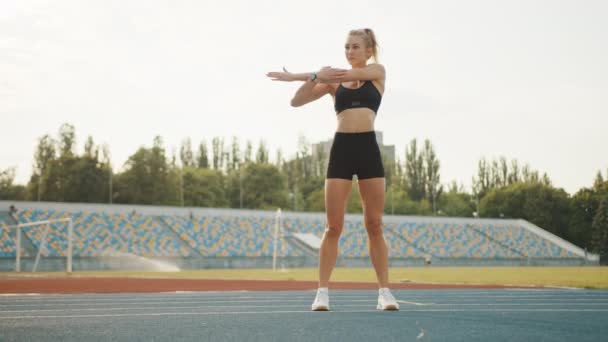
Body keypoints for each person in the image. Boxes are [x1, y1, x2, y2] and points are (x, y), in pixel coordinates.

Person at [267, 28, 399, 311]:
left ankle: (384, 292)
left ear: (368, 51)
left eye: (355, 47)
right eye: (347, 47)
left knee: (374, 224)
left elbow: (343, 75)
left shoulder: (376, 72)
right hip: (341, 150)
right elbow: (296, 101)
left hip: (368, 150)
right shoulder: (332, 84)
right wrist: (314, 77)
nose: (350, 52)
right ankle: (322, 292)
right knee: (333, 226)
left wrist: (299, 74)